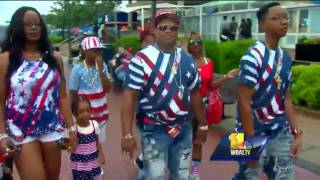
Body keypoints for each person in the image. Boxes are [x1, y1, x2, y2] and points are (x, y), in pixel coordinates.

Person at [121, 9, 208, 180]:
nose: (169, 31)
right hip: (154, 129)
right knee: (155, 176)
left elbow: (196, 93)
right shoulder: (141, 60)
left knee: (182, 175)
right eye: (163, 27)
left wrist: (202, 124)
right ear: (154, 30)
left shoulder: (187, 60)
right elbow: (128, 99)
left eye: (173, 28)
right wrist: (127, 134)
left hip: (183, 128)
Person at [0, 6, 76, 179]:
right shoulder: (6, 59)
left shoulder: (54, 59)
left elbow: (63, 96)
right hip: (20, 129)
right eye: (28, 24)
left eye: (37, 24)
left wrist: (72, 128)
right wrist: (1, 135)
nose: (34, 28)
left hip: (52, 128)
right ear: (18, 27)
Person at [233, 2, 302, 179]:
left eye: (285, 17)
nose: (284, 22)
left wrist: (296, 132)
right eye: (276, 18)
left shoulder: (285, 58)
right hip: (246, 132)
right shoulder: (251, 57)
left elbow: (286, 97)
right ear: (263, 25)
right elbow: (243, 102)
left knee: (284, 175)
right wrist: (250, 143)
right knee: (247, 175)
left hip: (279, 131)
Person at [181, 31, 239, 179]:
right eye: (193, 42)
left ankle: (194, 174)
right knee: (180, 141)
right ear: (187, 44)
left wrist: (227, 77)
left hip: (202, 108)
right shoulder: (181, 62)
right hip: (183, 107)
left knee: (198, 141)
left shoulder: (208, 62)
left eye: (199, 42)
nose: (196, 45)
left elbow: (211, 86)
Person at [69, 36, 111, 144]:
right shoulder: (77, 69)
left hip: (100, 110)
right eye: (94, 51)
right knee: (85, 141)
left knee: (99, 142)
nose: (98, 53)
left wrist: (101, 70)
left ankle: (96, 158)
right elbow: (73, 93)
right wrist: (72, 113)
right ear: (84, 51)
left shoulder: (103, 66)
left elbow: (108, 88)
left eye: (99, 50)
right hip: (84, 112)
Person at [70, 96, 105, 180]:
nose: (86, 114)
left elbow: (97, 142)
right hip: (80, 166)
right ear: (75, 113)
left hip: (93, 162)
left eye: (88, 110)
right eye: (81, 111)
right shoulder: (74, 129)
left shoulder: (94, 125)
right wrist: (73, 142)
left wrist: (102, 154)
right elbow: (70, 149)